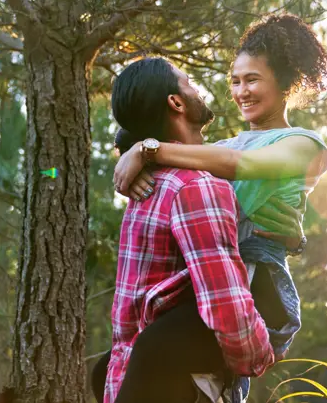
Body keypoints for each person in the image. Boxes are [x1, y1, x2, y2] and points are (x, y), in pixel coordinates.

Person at [106, 13, 327, 403]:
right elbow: (162, 133)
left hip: (262, 281)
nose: (241, 91)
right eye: (235, 81)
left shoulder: (303, 144)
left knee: (164, 349)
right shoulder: (227, 144)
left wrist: (148, 150)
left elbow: (243, 167)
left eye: (253, 80)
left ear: (284, 83)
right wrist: (129, 151)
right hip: (223, 275)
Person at [101, 57, 287, 403]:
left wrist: (142, 149)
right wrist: (260, 356)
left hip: (124, 379)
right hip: (175, 387)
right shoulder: (196, 187)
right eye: (188, 83)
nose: (197, 89)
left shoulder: (145, 188)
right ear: (176, 102)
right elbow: (225, 303)